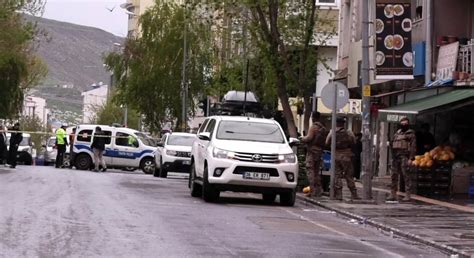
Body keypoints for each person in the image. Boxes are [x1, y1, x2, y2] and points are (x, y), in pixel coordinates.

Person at [325, 117, 360, 200]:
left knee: (337, 175)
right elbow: (354, 142)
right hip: (346, 156)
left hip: (336, 156)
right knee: (349, 175)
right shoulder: (349, 132)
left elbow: (326, 143)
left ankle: (339, 194)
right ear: (343, 124)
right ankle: (354, 194)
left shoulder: (332, 132)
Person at [299, 112, 327, 197]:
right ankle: (319, 190)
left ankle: (312, 190)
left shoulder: (314, 127)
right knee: (317, 171)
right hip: (319, 151)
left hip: (312, 151)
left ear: (313, 118)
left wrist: (302, 139)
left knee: (310, 170)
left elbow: (309, 138)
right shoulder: (323, 128)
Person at [388, 117, 416, 202]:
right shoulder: (397, 133)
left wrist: (411, 158)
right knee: (394, 176)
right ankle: (393, 193)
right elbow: (393, 144)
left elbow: (413, 146)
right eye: (402, 123)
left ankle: (408, 194)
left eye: (405, 123)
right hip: (396, 157)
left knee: (406, 176)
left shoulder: (411, 134)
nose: (403, 125)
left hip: (404, 156)